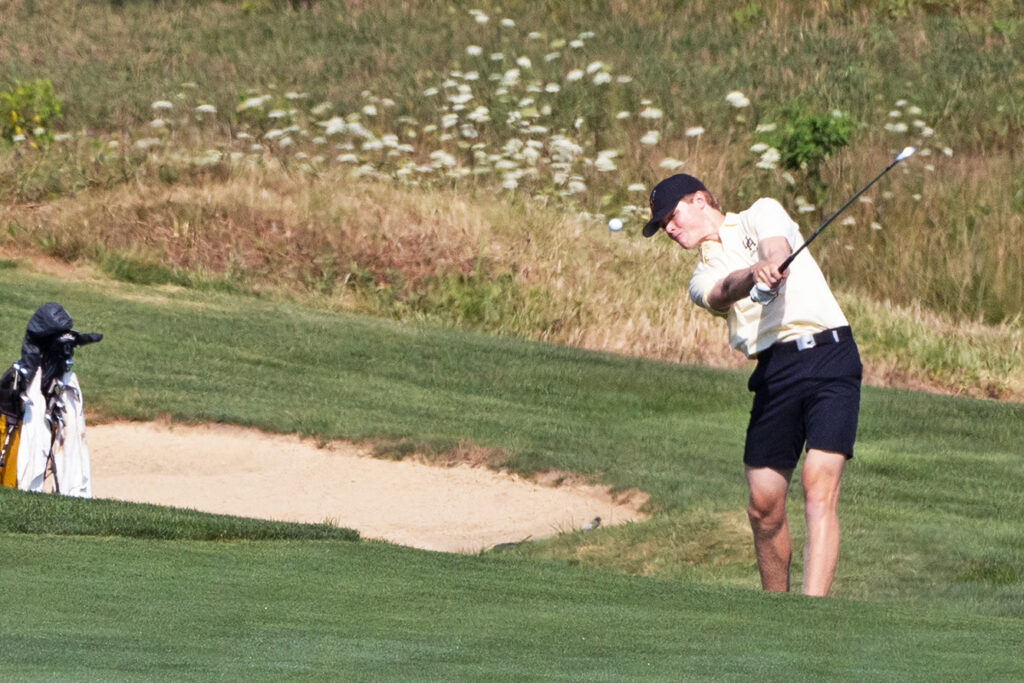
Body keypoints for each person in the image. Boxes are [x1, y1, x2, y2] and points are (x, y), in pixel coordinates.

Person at [642, 174, 861, 597]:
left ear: (701, 199)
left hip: (828, 354)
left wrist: (770, 263)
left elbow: (775, 246)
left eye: (671, 216)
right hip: (775, 371)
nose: (668, 228)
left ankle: (810, 615)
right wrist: (752, 275)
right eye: (662, 224)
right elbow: (723, 291)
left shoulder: (760, 212)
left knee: (818, 482)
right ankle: (773, 611)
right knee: (763, 507)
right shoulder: (701, 275)